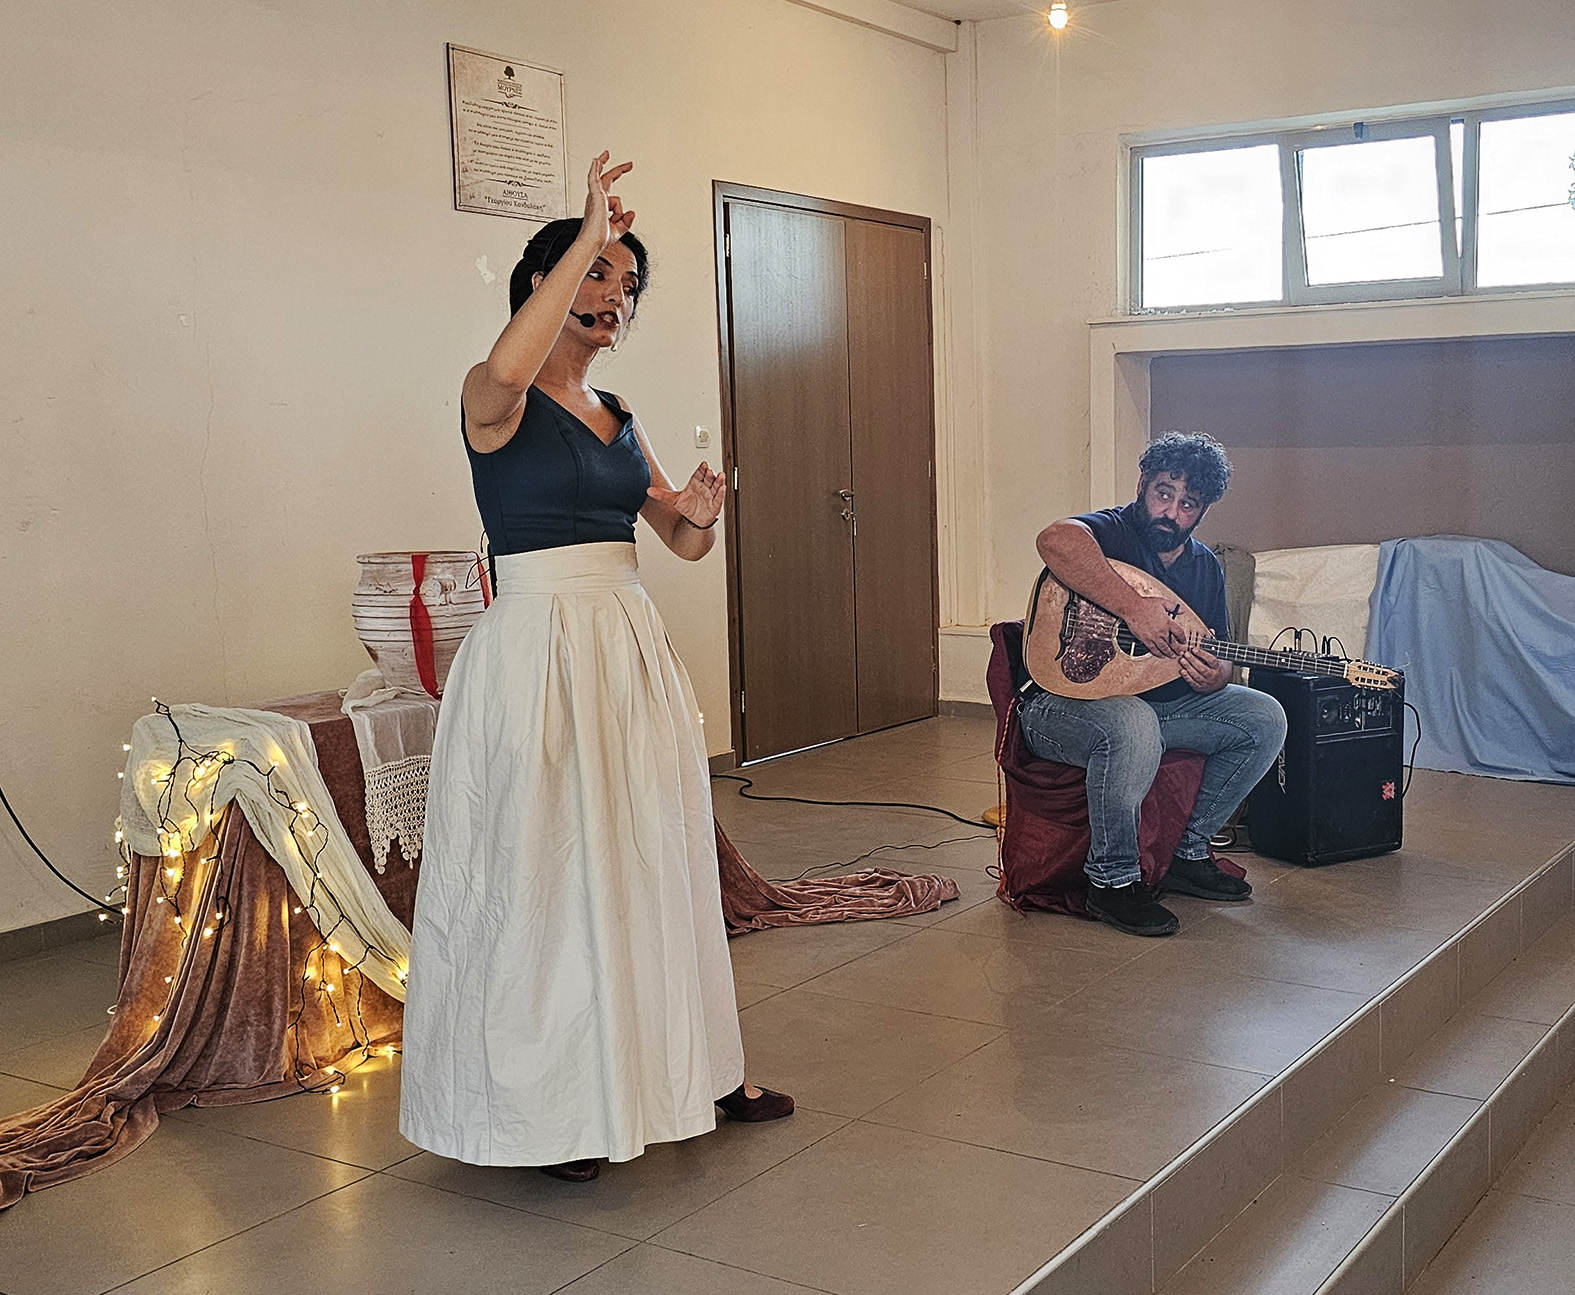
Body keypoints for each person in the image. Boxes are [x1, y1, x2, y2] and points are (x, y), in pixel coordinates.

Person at [399, 153, 792, 1183]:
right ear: (545, 283)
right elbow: (508, 370)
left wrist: (700, 513)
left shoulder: (620, 410)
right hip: (536, 650)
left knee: (656, 856)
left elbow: (680, 541)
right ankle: (555, 1109)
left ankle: (697, 1069)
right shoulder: (492, 397)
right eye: (598, 275)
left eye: (628, 283)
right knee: (544, 869)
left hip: (624, 644)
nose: (616, 295)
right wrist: (585, 233)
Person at [1022, 432, 1287, 937]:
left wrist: (1215, 676)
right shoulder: (1114, 532)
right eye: (1164, 493)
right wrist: (1133, 608)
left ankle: (1187, 853)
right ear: (1143, 484)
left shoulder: (1205, 567)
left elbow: (1219, 655)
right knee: (1133, 723)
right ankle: (1111, 882)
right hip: (1061, 705)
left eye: (1188, 504)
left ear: (1203, 511)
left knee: (1264, 716)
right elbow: (1054, 541)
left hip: (1161, 707)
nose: (1171, 512)